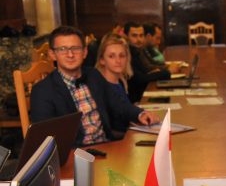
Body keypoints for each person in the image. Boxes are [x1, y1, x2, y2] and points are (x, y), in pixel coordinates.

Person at [30, 26, 158, 146]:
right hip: (75, 154)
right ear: (52, 54)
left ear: (85, 52)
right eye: (62, 49)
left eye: (76, 48)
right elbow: (45, 140)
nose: (70, 55)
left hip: (106, 146)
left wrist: (140, 114)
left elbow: (117, 103)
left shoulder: (93, 75)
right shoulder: (42, 91)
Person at [95, 33, 151, 134]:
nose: (118, 61)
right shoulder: (101, 86)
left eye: (122, 56)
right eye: (111, 56)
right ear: (102, 60)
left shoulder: (121, 81)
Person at [124, 21, 171, 102]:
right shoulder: (127, 54)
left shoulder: (137, 51)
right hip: (135, 100)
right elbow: (140, 79)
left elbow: (145, 72)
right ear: (126, 37)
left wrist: (152, 74)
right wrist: (165, 72)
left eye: (141, 35)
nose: (138, 39)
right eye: (134, 36)